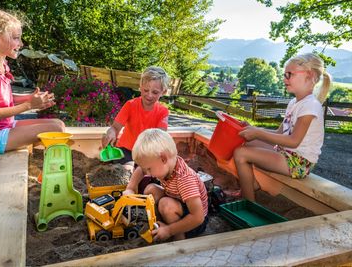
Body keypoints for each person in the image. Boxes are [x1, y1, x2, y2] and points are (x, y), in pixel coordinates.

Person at [233, 53, 331, 201]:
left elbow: (293, 141)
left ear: (309, 75)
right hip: (286, 153)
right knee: (243, 140)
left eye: (289, 74)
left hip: (298, 162)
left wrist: (258, 133)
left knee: (241, 154)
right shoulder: (294, 102)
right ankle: (251, 185)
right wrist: (252, 129)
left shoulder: (310, 105)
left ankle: (248, 202)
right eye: (284, 75)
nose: (284, 79)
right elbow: (279, 133)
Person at [0, 9, 65, 154]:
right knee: (55, 130)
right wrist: (29, 105)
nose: (20, 43)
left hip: (4, 127)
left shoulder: (0, 65)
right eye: (15, 38)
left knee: (59, 124)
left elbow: (2, 99)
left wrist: (30, 98)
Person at [101, 66, 170, 193]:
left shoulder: (163, 112)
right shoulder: (130, 105)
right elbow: (115, 127)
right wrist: (110, 134)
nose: (149, 95)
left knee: (148, 181)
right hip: (126, 150)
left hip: (147, 154)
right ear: (140, 87)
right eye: (145, 90)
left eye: (155, 92)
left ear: (163, 92)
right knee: (127, 172)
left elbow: (160, 136)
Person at [132, 128, 209, 241]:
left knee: (166, 204)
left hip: (193, 223)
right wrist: (130, 187)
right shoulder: (166, 165)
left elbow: (198, 218)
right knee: (151, 189)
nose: (147, 173)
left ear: (163, 158)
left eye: (149, 169)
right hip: (178, 203)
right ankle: (158, 225)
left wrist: (169, 230)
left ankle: (178, 240)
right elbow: (141, 170)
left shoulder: (185, 179)